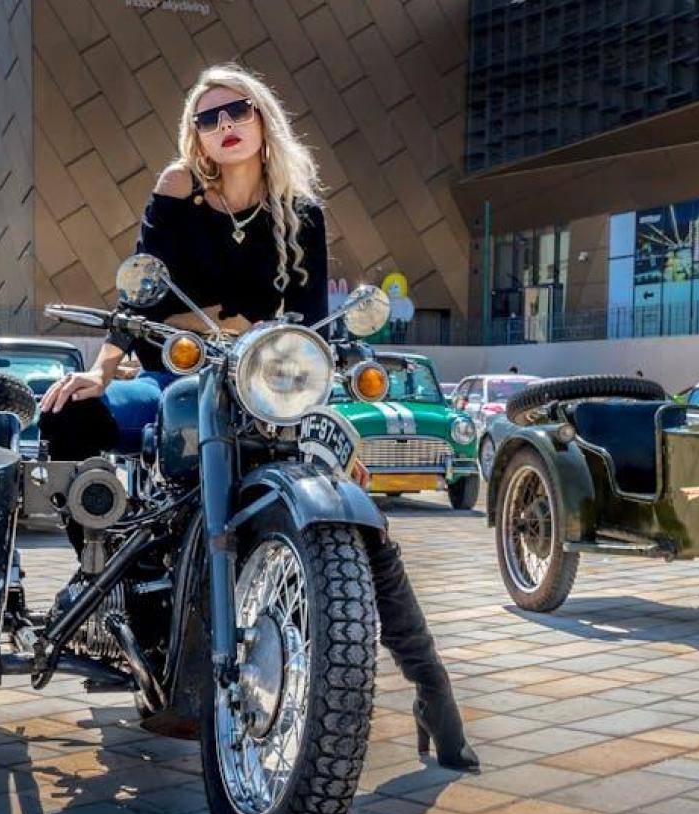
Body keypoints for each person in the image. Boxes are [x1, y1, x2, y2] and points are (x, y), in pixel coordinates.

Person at [38, 63, 477, 770]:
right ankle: (96, 571)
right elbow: (141, 290)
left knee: (355, 510)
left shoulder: (300, 212)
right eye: (207, 119)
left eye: (235, 111)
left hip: (266, 390)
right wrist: (101, 367)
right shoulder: (178, 188)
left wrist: (332, 396)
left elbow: (308, 328)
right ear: (196, 136)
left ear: (263, 117)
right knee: (66, 420)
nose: (223, 127)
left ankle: (433, 690)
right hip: (173, 376)